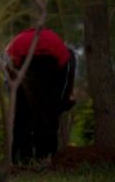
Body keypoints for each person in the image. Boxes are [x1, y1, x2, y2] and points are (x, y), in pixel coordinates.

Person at [6, 27, 77, 164]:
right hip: (53, 59)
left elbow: (9, 72)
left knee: (21, 115)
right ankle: (44, 155)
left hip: (23, 57)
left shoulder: (17, 42)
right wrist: (67, 96)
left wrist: (14, 94)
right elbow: (68, 69)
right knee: (49, 113)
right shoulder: (64, 51)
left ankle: (21, 158)